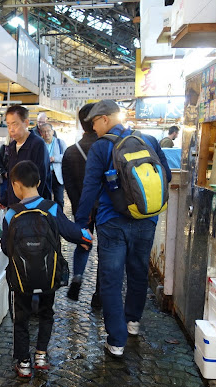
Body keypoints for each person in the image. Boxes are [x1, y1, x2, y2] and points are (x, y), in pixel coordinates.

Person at [75, 100, 171, 358]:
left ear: (105, 119)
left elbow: (90, 190)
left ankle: (116, 341)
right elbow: (167, 176)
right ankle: (133, 323)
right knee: (138, 271)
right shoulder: (149, 139)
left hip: (112, 222)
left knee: (111, 279)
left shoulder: (101, 147)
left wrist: (81, 224)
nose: (93, 128)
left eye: (94, 122)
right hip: (146, 219)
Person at [0, 160, 92, 378]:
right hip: (48, 276)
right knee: (46, 313)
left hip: (21, 279)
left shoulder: (10, 214)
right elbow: (71, 232)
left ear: (15, 185)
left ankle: (23, 362)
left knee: (20, 318)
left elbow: (6, 248)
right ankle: (41, 355)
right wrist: (85, 238)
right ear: (39, 183)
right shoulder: (51, 208)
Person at [62, 103, 100, 306]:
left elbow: (69, 187)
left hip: (82, 207)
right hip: (106, 207)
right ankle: (99, 293)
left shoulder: (70, 152)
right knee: (107, 250)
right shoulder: (107, 147)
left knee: (83, 243)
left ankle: (77, 276)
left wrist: (79, 212)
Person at [0, 105, 48, 209]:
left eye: (14, 124)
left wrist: (32, 207)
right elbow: (13, 179)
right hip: (14, 206)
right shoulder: (11, 147)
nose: (11, 129)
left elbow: (42, 179)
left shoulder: (37, 145)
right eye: (8, 125)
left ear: (26, 123)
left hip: (32, 207)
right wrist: (4, 200)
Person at [40, 123, 66, 207]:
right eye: (44, 131)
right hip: (44, 174)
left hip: (57, 175)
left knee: (59, 199)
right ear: (41, 133)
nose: (46, 133)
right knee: (46, 199)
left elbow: (66, 157)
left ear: (53, 132)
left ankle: (59, 218)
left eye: (48, 131)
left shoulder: (59, 142)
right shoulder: (39, 144)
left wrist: (54, 158)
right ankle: (47, 219)